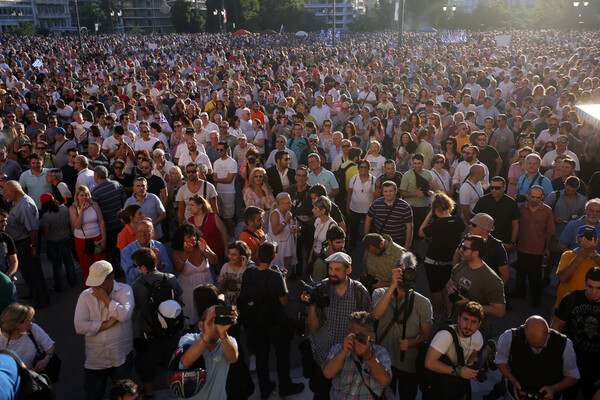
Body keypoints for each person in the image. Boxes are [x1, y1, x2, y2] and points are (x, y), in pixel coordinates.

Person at [237, 242, 305, 399]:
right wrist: (284, 279)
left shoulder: (249, 273)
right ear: (274, 257)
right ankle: (285, 386)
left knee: (261, 358)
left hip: (256, 324)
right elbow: (284, 301)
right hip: (275, 324)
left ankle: (265, 388)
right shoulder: (276, 276)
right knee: (282, 357)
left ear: (258, 256)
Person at [301, 252, 371, 400]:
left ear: (348, 270)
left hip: (349, 360)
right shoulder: (321, 289)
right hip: (323, 357)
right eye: (331, 268)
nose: (332, 273)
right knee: (321, 395)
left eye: (337, 269)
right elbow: (313, 328)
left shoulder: (360, 293)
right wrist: (312, 306)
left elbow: (367, 326)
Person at [372, 257, 433, 400]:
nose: (405, 275)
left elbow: (427, 334)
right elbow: (376, 314)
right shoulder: (380, 293)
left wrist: (411, 343)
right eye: (401, 271)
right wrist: (392, 286)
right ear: (394, 271)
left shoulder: (423, 303)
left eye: (408, 271)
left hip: (409, 365)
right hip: (383, 361)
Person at [73, 261, 134, 400]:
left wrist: (106, 299)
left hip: (121, 355)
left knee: (125, 396)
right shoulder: (85, 296)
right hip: (96, 359)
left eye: (99, 282)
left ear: (111, 277)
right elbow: (79, 326)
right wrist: (106, 324)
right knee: (93, 395)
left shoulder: (125, 290)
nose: (95, 286)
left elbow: (124, 315)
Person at [131, 247, 183, 400]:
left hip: (150, 337)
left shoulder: (137, 286)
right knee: (174, 365)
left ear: (143, 267)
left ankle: (149, 394)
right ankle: (179, 391)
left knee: (147, 370)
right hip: (173, 333)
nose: (136, 269)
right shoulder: (171, 278)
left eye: (136, 266)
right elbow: (180, 300)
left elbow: (135, 311)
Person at [496, 316, 579, 400]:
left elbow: (573, 376)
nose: (536, 349)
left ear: (549, 332)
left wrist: (554, 389)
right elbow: (500, 361)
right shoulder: (510, 337)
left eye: (541, 346)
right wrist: (513, 381)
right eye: (531, 344)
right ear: (524, 329)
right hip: (514, 397)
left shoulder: (564, 344)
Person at [552, 267, 600, 400]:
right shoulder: (572, 299)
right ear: (585, 283)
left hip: (596, 365)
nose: (594, 292)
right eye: (590, 286)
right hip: (572, 360)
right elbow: (557, 326)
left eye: (598, 288)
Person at [445, 235, 505, 337]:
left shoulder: (492, 280)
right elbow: (449, 283)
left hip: (476, 333)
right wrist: (450, 289)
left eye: (464, 248)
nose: (460, 250)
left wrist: (470, 304)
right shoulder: (462, 265)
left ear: (475, 253)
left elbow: (499, 311)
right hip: (456, 326)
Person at [322, 311, 392, 399]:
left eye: (364, 335)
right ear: (348, 333)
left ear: (371, 336)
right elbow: (327, 374)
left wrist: (369, 356)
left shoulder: (381, 352)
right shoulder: (338, 349)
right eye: (357, 334)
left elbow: (385, 381)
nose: (360, 339)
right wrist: (344, 351)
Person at [423, 301, 485, 400]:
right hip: (438, 388)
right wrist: (458, 372)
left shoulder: (478, 337)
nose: (468, 326)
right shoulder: (445, 335)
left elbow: (473, 356)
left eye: (473, 322)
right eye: (465, 319)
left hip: (458, 387)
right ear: (458, 318)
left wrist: (473, 369)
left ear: (479, 324)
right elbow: (429, 363)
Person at [177, 304, 239, 400]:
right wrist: (205, 337)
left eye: (219, 320)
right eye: (211, 321)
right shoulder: (189, 339)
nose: (215, 326)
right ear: (201, 325)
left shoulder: (228, 341)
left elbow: (233, 358)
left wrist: (223, 334)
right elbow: (186, 361)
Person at [4, 181, 50, 308]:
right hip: (20, 244)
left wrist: (33, 247)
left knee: (34, 273)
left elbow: (33, 229)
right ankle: (34, 294)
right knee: (27, 273)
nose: (5, 194)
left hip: (25, 243)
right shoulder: (17, 202)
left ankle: (42, 300)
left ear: (13, 191)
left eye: (6, 191)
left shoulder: (25, 205)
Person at [419, 192, 465, 319]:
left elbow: (421, 233)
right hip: (451, 261)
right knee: (448, 287)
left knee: (436, 290)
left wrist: (429, 214)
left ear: (435, 208)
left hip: (433, 261)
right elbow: (461, 237)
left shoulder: (437, 224)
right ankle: (449, 313)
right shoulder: (458, 221)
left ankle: (437, 314)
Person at [515, 185, 555, 306]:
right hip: (522, 246)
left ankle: (535, 297)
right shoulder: (521, 208)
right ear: (528, 195)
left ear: (542, 197)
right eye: (532, 197)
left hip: (537, 249)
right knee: (520, 273)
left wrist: (546, 248)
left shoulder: (547, 211)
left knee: (535, 276)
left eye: (537, 197)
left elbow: (549, 232)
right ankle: (519, 292)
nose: (534, 200)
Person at [91, 166, 128, 273]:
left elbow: (95, 211)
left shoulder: (95, 192)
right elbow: (125, 202)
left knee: (111, 251)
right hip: (120, 223)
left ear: (96, 176)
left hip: (107, 226)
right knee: (122, 249)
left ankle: (116, 272)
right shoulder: (117, 184)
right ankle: (125, 268)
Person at [554, 226, 600, 308]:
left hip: (589, 309)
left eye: (589, 238)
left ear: (596, 241)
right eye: (582, 237)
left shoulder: (598, 259)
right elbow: (563, 278)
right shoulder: (567, 255)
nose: (585, 240)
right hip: (564, 307)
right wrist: (580, 256)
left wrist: (592, 254)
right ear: (577, 239)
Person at [0, 303, 55, 371]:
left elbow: (50, 346)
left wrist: (45, 360)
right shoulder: (1, 342)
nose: (33, 320)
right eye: (29, 319)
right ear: (18, 325)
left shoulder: (33, 329)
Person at [70, 185, 107, 283]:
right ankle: (91, 290)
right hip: (82, 241)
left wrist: (104, 239)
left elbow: (101, 222)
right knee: (87, 268)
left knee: (102, 267)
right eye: (81, 195)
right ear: (77, 196)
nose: (84, 198)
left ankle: (104, 287)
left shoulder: (94, 205)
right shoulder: (73, 208)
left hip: (97, 238)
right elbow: (77, 225)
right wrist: (81, 211)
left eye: (86, 195)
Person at [40, 193, 76, 291]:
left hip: (53, 242)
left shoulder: (46, 216)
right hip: (66, 238)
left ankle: (59, 286)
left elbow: (46, 231)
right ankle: (73, 282)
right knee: (68, 261)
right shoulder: (64, 208)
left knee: (57, 265)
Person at [473, 176, 520, 248]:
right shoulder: (483, 201)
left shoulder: (511, 203)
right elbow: (475, 222)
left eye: (497, 188)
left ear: (504, 188)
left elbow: (515, 224)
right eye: (491, 187)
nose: (493, 190)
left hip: (505, 242)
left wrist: (512, 242)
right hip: (485, 242)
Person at [121, 220, 173, 285]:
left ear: (153, 232)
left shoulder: (159, 246)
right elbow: (130, 275)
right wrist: (148, 261)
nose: (143, 234)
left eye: (147, 231)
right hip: (138, 288)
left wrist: (160, 264)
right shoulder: (127, 251)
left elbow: (169, 269)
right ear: (135, 233)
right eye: (140, 231)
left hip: (158, 285)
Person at [399, 153, 433, 251]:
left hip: (423, 207)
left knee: (418, 232)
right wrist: (414, 194)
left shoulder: (428, 174)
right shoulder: (407, 175)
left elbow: (429, 187)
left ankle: (414, 252)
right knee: (407, 231)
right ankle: (405, 251)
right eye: (415, 163)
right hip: (410, 207)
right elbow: (402, 193)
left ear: (424, 163)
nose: (417, 165)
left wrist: (429, 192)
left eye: (419, 163)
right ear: (412, 163)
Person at [365, 181, 413, 249]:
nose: (388, 194)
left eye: (390, 191)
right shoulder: (376, 204)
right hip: (380, 241)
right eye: (385, 191)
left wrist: (407, 246)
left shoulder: (405, 207)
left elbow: (409, 227)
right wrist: (367, 239)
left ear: (395, 191)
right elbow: (368, 220)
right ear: (382, 192)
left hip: (397, 242)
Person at [187, 195, 228, 272]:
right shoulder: (190, 221)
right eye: (189, 205)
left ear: (200, 206)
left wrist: (226, 249)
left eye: (192, 205)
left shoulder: (213, 217)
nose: (190, 207)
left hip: (217, 254)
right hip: (201, 257)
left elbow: (223, 233)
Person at [347, 159, 376, 247]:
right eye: (361, 167)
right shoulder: (354, 178)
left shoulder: (373, 179)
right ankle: (352, 246)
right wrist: (347, 207)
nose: (363, 169)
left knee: (370, 230)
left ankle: (370, 247)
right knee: (353, 229)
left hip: (368, 210)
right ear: (358, 168)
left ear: (368, 168)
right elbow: (349, 193)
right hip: (355, 208)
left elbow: (375, 196)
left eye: (365, 167)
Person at [267, 192, 297, 272]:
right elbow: (275, 231)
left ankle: (284, 282)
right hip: (278, 245)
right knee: (277, 269)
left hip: (287, 242)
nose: (291, 204)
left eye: (290, 201)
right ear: (281, 204)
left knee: (285, 269)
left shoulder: (288, 213)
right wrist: (286, 221)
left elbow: (289, 227)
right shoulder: (275, 214)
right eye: (288, 202)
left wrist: (295, 228)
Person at [218, 241, 252, 307]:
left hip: (245, 307)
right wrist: (222, 283)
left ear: (242, 256)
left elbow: (254, 286)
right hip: (229, 306)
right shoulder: (225, 267)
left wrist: (245, 267)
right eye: (229, 253)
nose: (230, 256)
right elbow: (221, 290)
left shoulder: (250, 266)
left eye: (234, 255)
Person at [309, 196, 338, 264]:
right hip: (315, 256)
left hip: (325, 259)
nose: (312, 210)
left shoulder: (332, 225)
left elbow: (334, 247)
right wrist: (310, 256)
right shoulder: (317, 220)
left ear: (323, 211)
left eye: (315, 208)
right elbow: (315, 240)